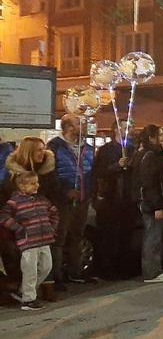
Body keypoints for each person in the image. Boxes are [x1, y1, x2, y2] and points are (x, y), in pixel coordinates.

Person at [46, 114, 95, 289]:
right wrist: (64, 192)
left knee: (77, 236)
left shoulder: (87, 148)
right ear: (68, 127)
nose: (82, 125)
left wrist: (90, 192)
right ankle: (55, 277)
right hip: (62, 201)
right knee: (58, 239)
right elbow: (50, 175)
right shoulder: (54, 147)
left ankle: (76, 272)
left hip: (82, 199)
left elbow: (92, 173)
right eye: (78, 122)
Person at [0, 171, 58, 311]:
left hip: (44, 239)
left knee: (46, 267)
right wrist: (19, 229)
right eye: (32, 183)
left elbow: (53, 212)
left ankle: (24, 290)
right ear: (21, 185)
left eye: (37, 182)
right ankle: (29, 299)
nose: (36, 185)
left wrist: (52, 227)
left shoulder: (42, 200)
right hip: (28, 241)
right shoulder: (14, 202)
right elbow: (3, 217)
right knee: (30, 269)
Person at [92, 121, 136, 280]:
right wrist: (116, 166)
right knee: (109, 236)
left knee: (126, 236)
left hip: (128, 199)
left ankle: (124, 268)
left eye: (130, 127)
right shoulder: (106, 150)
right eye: (125, 127)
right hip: (111, 199)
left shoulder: (133, 149)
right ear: (116, 129)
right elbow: (99, 173)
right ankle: (107, 269)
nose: (128, 130)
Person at [132, 124, 163, 284]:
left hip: (148, 201)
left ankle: (155, 269)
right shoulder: (149, 156)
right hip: (151, 203)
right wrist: (157, 205)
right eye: (160, 135)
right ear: (152, 138)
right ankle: (151, 273)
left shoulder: (143, 154)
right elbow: (150, 183)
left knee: (154, 236)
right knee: (153, 237)